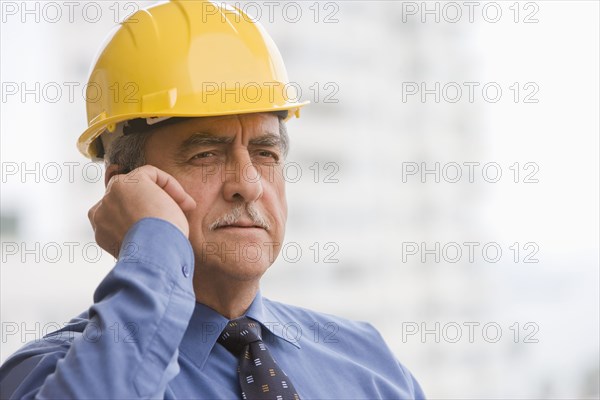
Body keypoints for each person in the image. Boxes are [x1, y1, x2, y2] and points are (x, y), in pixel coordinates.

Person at [0, 1, 425, 399]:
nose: (248, 184)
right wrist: (151, 242)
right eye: (206, 155)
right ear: (123, 186)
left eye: (265, 153)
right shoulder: (47, 373)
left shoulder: (369, 364)